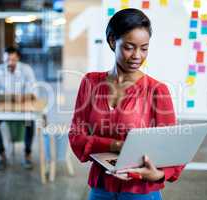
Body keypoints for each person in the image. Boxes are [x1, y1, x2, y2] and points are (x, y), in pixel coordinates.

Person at [68, 8, 184, 199]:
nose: (137, 55)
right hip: (101, 188)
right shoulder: (91, 82)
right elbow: (76, 136)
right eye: (129, 47)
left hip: (140, 190)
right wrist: (117, 145)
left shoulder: (156, 90)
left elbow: (173, 147)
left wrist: (158, 174)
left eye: (144, 48)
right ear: (113, 41)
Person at [0, 47, 38, 171]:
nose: (10, 63)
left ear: (18, 58)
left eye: (13, 60)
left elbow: (34, 91)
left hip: (23, 108)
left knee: (30, 122)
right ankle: (2, 155)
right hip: (5, 109)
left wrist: (25, 96)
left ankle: (27, 154)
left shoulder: (26, 70)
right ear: (4, 59)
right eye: (7, 60)